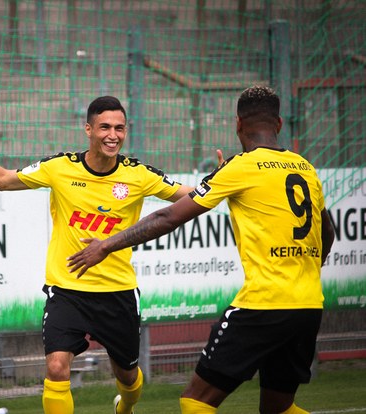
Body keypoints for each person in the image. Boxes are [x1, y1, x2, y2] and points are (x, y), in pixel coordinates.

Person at [67, 86, 336, 414]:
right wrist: (307, 270)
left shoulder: (240, 167)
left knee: (195, 401)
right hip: (309, 305)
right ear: (279, 123)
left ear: (238, 124)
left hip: (264, 304)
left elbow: (168, 217)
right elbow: (328, 232)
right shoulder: (305, 167)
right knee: (278, 408)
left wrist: (106, 245)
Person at [0, 96, 200, 414]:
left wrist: (223, 181)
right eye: (104, 127)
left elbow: (191, 196)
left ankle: (126, 407)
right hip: (66, 291)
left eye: (119, 128)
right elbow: (3, 180)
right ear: (88, 129)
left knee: (127, 376)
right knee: (57, 367)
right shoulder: (60, 168)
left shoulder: (139, 175)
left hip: (117, 293)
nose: (112, 135)